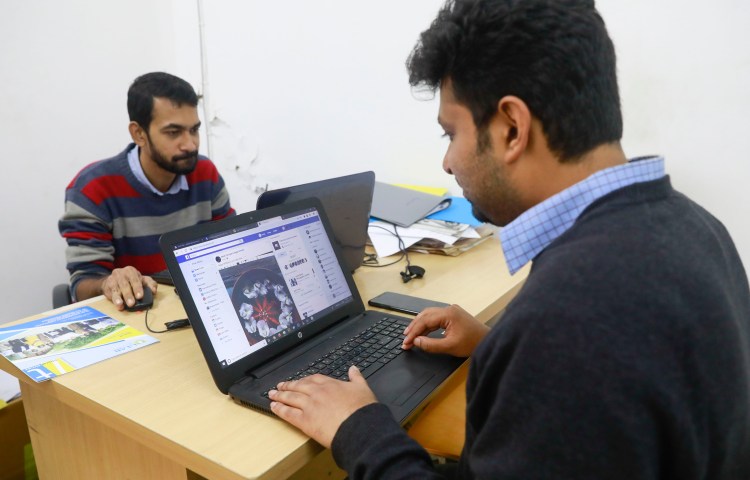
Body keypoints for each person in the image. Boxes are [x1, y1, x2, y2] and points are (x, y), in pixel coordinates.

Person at [267, 0, 750, 478]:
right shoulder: (698, 227)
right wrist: (499, 348)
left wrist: (359, 429)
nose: (448, 163)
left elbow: (579, 348)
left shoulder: (565, 323)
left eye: (449, 134)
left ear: (512, 128)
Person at [59, 72, 234, 310]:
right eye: (173, 133)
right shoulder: (92, 188)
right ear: (139, 134)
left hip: (196, 310)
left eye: (194, 130)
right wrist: (108, 283)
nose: (190, 144)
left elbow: (231, 246)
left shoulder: (205, 174)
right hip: (134, 317)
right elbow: (82, 285)